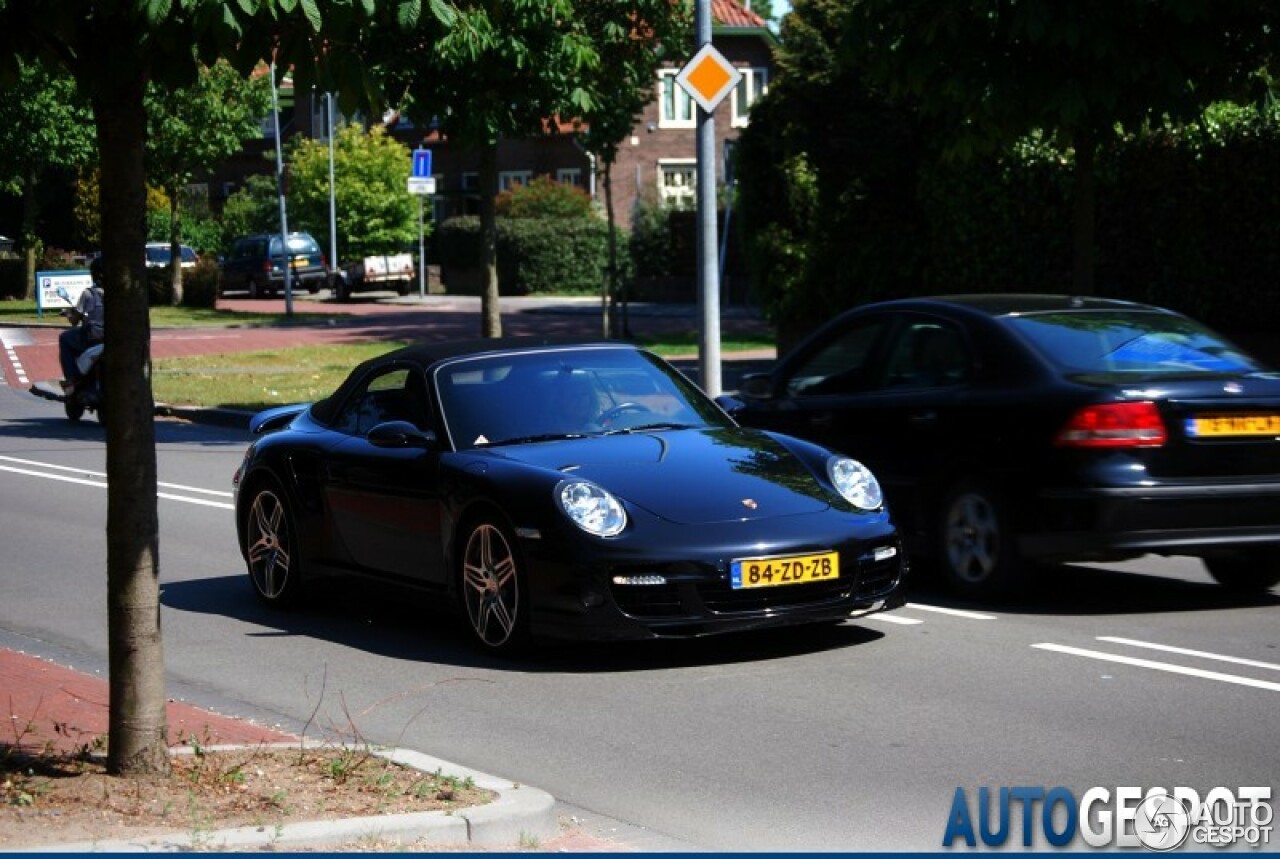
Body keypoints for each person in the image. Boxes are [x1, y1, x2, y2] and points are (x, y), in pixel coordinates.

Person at [59, 258, 105, 395]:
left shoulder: (89, 294)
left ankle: (71, 379)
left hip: (93, 338)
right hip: (112, 338)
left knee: (65, 338)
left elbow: (74, 321)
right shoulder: (119, 293)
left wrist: (68, 314)